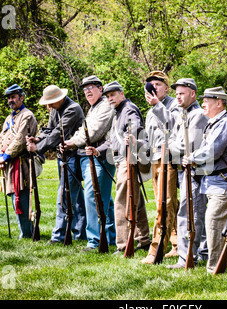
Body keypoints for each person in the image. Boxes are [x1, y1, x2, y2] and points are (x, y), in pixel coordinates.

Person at [183, 87, 227, 273]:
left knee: (213, 223)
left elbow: (212, 151)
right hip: (216, 181)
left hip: (222, 182)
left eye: (207, 101)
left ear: (219, 102)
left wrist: (192, 157)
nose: (202, 104)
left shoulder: (225, 123)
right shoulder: (215, 123)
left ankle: (214, 267)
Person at [26, 84, 87, 244]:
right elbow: (49, 130)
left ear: (59, 98)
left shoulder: (72, 109)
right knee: (77, 198)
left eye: (51, 102)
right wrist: (38, 138)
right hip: (63, 157)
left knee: (64, 196)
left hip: (73, 157)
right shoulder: (55, 109)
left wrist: (37, 148)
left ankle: (58, 236)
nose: (49, 106)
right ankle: (80, 233)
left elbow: (58, 134)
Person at [62, 75, 116, 252]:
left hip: (100, 156)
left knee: (93, 197)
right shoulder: (94, 108)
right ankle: (110, 237)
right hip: (93, 156)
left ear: (101, 89)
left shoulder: (105, 106)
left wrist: (71, 142)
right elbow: (84, 130)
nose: (88, 91)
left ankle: (94, 241)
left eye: (91, 87)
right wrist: (72, 140)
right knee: (103, 199)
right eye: (85, 89)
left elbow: (92, 132)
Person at [101, 81, 151, 254]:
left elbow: (136, 128)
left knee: (122, 202)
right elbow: (112, 141)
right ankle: (144, 239)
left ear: (121, 94)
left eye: (113, 95)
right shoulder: (118, 112)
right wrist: (97, 150)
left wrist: (134, 136)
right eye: (107, 97)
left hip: (128, 159)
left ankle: (122, 244)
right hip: (122, 158)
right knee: (136, 202)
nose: (110, 99)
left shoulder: (128, 109)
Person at [165, 78, 209, 269]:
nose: (177, 96)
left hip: (194, 172)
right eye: (176, 93)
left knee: (189, 214)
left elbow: (186, 145)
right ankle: (201, 253)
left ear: (192, 94)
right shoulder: (183, 114)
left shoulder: (198, 115)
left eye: (181, 93)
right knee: (196, 213)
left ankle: (186, 257)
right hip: (185, 170)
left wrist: (169, 146)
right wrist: (173, 144)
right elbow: (176, 139)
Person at [141, 71, 180, 264]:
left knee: (164, 205)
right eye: (151, 85)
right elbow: (148, 139)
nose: (154, 88)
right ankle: (176, 244)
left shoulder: (174, 106)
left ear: (166, 87)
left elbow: (173, 126)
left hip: (169, 160)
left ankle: (155, 250)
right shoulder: (150, 110)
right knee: (167, 203)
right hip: (156, 160)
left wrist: (157, 106)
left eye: (157, 84)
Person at [0, 84, 38, 239]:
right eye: (9, 98)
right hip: (9, 164)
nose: (10, 100)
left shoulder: (27, 115)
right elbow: (1, 139)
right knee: (15, 199)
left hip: (21, 164)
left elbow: (20, 140)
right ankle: (26, 232)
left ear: (21, 97)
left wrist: (5, 156)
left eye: (13, 97)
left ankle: (28, 233)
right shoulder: (9, 118)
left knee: (21, 199)